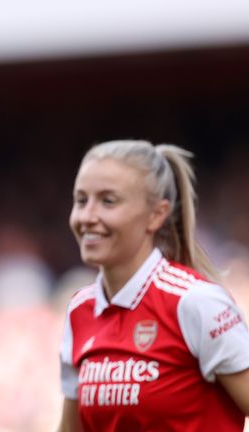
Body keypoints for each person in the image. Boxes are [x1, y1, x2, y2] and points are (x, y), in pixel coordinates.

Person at [57, 140, 249, 431]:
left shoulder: (196, 302)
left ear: (156, 214)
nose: (87, 217)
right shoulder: (79, 310)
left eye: (108, 201)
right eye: (81, 200)